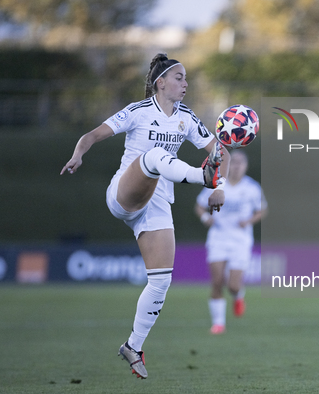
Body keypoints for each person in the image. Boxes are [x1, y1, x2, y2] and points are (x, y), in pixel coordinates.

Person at [61, 53, 230, 379]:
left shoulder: (188, 117)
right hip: (125, 194)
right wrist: (78, 153)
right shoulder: (138, 111)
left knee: (161, 280)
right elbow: (92, 135)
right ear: (160, 82)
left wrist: (220, 182)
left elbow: (218, 150)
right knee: (154, 156)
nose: (185, 83)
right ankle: (199, 178)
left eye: (186, 78)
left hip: (157, 205)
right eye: (179, 77)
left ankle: (133, 346)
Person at [195, 150, 266, 334]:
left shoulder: (252, 187)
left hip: (240, 240)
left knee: (233, 285)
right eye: (233, 162)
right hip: (218, 237)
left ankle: (238, 295)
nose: (236, 166)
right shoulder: (217, 184)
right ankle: (218, 323)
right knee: (217, 281)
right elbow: (199, 206)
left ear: (245, 166)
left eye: (240, 163)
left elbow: (262, 210)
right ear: (227, 164)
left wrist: (249, 221)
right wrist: (206, 219)